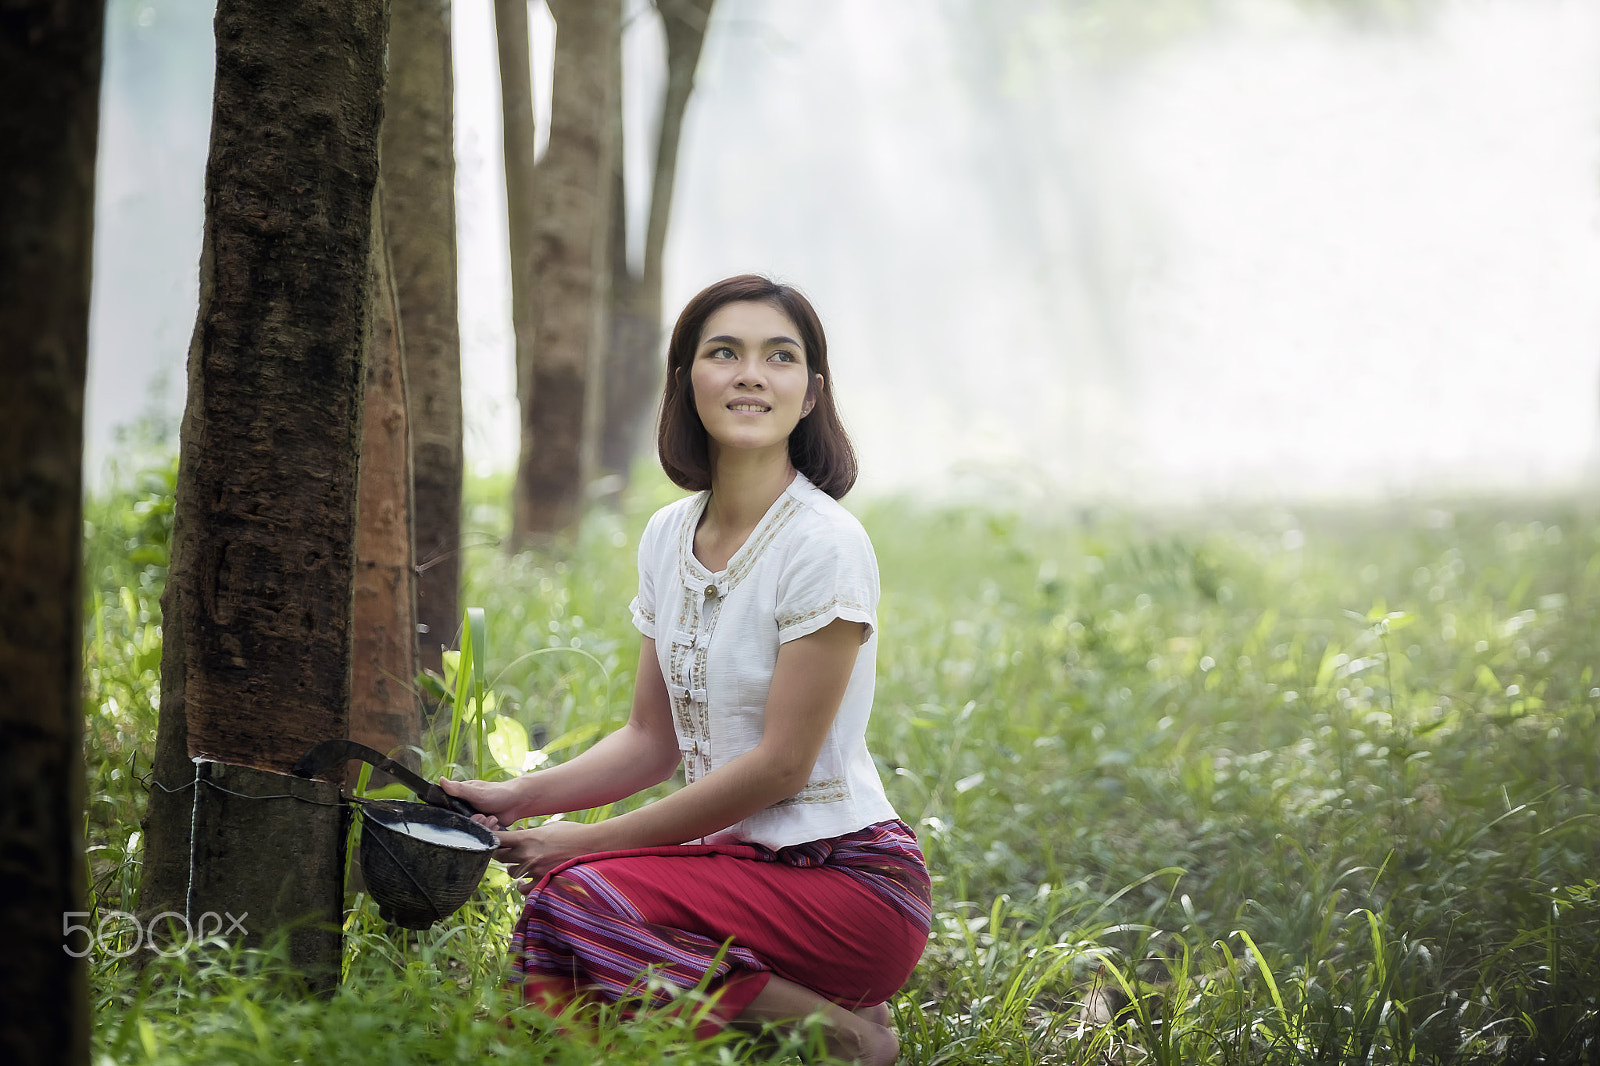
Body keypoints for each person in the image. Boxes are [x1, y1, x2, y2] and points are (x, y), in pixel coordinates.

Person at [441, 275, 929, 1065]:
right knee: (574, 903)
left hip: (849, 883)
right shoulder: (669, 536)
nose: (749, 374)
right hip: (738, 869)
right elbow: (649, 740)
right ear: (686, 380)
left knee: (577, 894)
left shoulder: (823, 544)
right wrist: (516, 797)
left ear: (810, 394)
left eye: (779, 357)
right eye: (723, 352)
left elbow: (780, 767)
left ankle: (845, 1035)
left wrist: (579, 846)